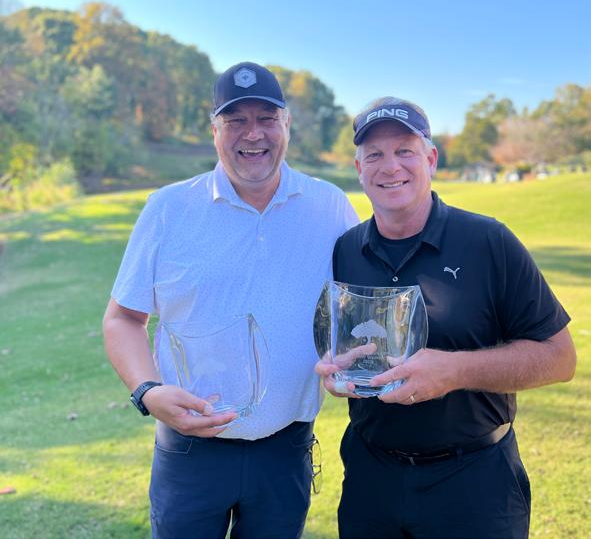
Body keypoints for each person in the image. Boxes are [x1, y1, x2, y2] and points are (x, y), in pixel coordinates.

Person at [103, 62, 358, 539]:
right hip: (190, 452)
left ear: (287, 124)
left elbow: (356, 307)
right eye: (236, 119)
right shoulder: (168, 209)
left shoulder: (330, 207)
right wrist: (147, 391)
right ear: (214, 130)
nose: (252, 133)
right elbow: (123, 319)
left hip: (286, 451)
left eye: (266, 118)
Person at [315, 96, 576, 539]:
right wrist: (335, 370)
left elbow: (559, 358)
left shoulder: (488, 241)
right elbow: (345, 343)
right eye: (374, 155)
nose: (390, 166)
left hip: (473, 482)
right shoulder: (346, 249)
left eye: (405, 151)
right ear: (359, 169)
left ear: (431, 159)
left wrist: (454, 371)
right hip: (370, 478)